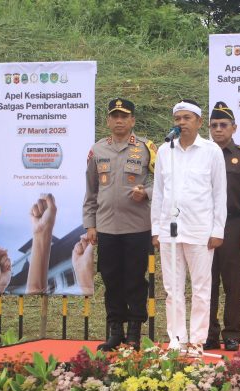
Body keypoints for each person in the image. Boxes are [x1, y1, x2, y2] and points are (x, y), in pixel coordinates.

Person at [151, 99, 227, 357]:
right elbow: (159, 193)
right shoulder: (165, 151)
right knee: (172, 289)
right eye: (178, 118)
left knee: (201, 289)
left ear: (199, 122)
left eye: (187, 118)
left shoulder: (211, 151)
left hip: (200, 229)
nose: (181, 123)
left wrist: (217, 230)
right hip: (169, 230)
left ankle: (197, 341)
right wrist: (156, 228)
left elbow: (219, 193)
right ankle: (177, 340)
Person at [83, 98, 156, 351]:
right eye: (114, 116)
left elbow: (162, 182)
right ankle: (115, 331)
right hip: (106, 228)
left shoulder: (146, 148)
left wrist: (146, 193)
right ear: (108, 121)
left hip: (137, 227)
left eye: (124, 116)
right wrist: (90, 224)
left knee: (135, 281)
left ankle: (134, 332)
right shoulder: (97, 150)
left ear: (132, 120)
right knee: (111, 280)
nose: (119, 121)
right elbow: (91, 191)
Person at [204, 102, 240, 351]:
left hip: (233, 223)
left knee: (232, 282)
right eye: (214, 125)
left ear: (234, 128)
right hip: (203, 224)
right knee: (205, 283)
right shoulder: (201, 154)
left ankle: (232, 333)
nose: (218, 129)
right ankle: (208, 333)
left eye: (223, 125)